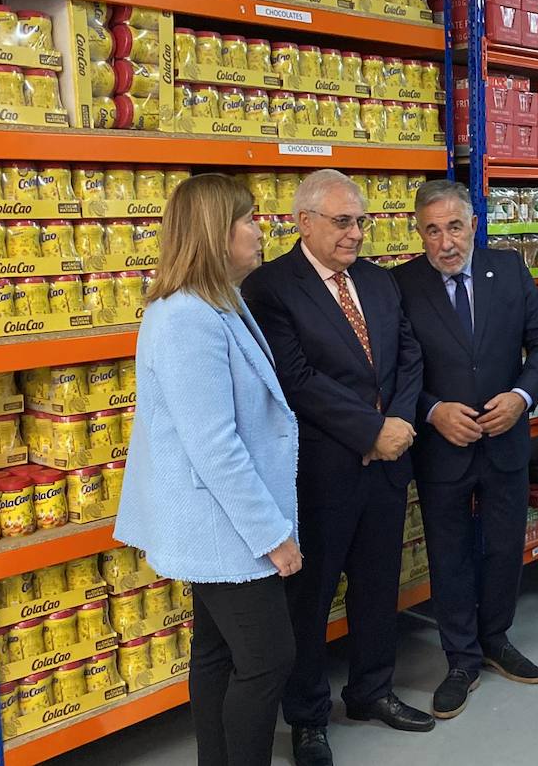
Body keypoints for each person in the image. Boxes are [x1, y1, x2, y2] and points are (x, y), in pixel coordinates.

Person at [240, 169, 429, 766]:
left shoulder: (377, 281)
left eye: (361, 221)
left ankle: (372, 691)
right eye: (343, 221)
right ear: (304, 221)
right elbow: (295, 380)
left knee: (378, 586)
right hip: (321, 472)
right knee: (311, 598)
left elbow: (406, 355)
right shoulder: (270, 287)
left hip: (387, 465)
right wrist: (370, 430)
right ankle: (307, 719)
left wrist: (395, 427)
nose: (355, 234)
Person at [114, 174, 302, 766]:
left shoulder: (220, 302)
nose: (258, 229)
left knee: (218, 653)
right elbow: (213, 445)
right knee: (269, 658)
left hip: (223, 521)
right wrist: (273, 536)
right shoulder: (185, 319)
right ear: (214, 234)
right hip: (224, 525)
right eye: (247, 219)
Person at [394, 180, 538, 719]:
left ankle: (496, 638)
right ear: (418, 233)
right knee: (450, 554)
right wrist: (432, 409)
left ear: (473, 224)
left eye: (455, 226)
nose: (446, 242)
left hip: (505, 440)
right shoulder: (401, 285)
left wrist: (520, 396)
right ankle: (461, 657)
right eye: (433, 230)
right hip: (443, 449)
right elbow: (391, 371)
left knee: (504, 545)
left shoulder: (508, 270)